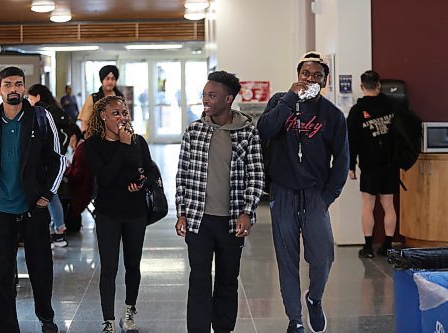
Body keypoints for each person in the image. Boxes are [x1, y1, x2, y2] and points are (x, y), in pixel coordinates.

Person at [257, 51, 349, 333]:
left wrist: (327, 197)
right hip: (283, 193)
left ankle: (314, 298)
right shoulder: (280, 102)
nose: (310, 79)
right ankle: (294, 319)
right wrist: (289, 100)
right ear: (297, 76)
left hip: (314, 195)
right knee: (286, 260)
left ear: (325, 81)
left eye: (317, 76)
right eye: (305, 74)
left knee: (322, 257)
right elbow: (264, 131)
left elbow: (342, 159)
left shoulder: (332, 114)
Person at [0, 66, 65, 333]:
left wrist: (47, 195)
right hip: (1, 209)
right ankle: (7, 327)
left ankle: (46, 318)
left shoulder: (40, 117)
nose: (14, 89)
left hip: (34, 207)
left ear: (24, 88)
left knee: (41, 268)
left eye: (19, 84)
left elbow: (58, 160)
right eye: (8, 84)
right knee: (3, 273)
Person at [175, 71, 265, 333]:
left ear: (228, 99)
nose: (206, 100)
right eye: (204, 94)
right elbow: (182, 174)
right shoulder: (194, 131)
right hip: (199, 220)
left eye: (212, 95)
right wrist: (182, 212)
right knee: (199, 280)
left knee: (228, 280)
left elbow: (256, 175)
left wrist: (247, 212)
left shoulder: (247, 133)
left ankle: (224, 328)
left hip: (232, 222)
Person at [83, 95, 156, 333]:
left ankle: (129, 312)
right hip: (108, 213)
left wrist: (142, 183)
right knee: (109, 268)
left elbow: (152, 172)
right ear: (103, 116)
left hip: (135, 212)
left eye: (125, 113)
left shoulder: (138, 141)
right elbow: (104, 178)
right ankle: (108, 320)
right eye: (116, 113)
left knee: (133, 265)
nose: (122, 118)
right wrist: (123, 147)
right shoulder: (92, 145)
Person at [347, 70, 398, 259]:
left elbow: (351, 141)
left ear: (361, 87)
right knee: (388, 204)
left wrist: (351, 166)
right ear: (378, 85)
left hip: (368, 164)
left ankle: (368, 247)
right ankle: (388, 245)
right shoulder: (392, 106)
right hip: (390, 164)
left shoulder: (356, 111)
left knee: (368, 205)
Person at [28, 83, 72, 248]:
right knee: (52, 196)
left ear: (38, 97)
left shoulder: (45, 114)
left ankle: (59, 231)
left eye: (30, 98)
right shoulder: (57, 111)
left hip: (49, 162)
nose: (29, 101)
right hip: (56, 158)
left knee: (51, 195)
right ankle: (57, 231)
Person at [63, 124, 95, 232]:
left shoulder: (80, 150)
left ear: (73, 137)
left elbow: (77, 175)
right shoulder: (83, 148)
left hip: (81, 189)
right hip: (87, 187)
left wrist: (66, 170)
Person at [78, 65, 124, 133]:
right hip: (97, 138)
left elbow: (126, 119)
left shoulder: (120, 98)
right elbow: (84, 122)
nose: (110, 82)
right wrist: (87, 138)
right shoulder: (93, 98)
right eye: (107, 78)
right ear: (102, 80)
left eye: (113, 79)